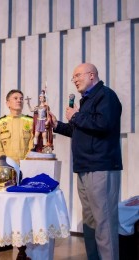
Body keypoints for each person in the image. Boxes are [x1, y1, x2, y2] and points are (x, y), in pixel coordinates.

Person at [50, 63, 122, 260]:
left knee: (104, 223)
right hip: (84, 168)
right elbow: (78, 131)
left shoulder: (106, 96)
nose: (74, 80)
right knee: (90, 223)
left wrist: (76, 116)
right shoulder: (86, 101)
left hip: (101, 167)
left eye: (77, 75)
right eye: (73, 77)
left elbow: (103, 125)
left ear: (91, 75)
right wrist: (57, 125)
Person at [0, 89, 32, 260]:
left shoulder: (29, 121)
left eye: (21, 98)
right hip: (7, 171)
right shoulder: (0, 123)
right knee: (6, 208)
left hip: (25, 169)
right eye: (15, 98)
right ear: (7, 102)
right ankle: (5, 240)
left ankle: (23, 242)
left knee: (22, 208)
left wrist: (28, 164)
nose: (19, 101)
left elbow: (33, 143)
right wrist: (5, 167)